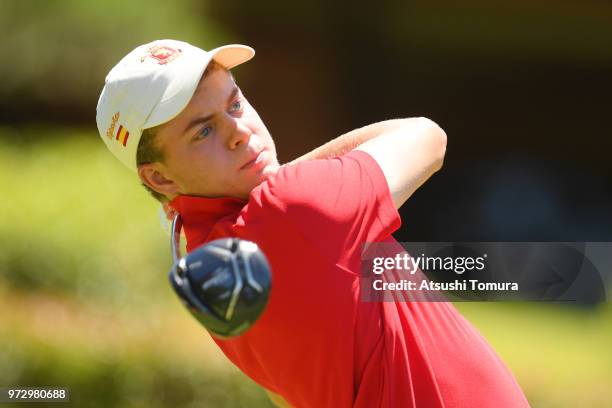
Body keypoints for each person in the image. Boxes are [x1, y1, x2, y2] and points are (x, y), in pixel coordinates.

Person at [96, 39, 529, 407]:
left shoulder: (208, 265)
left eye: (235, 103)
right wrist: (286, 178)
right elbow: (426, 136)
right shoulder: (291, 208)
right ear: (160, 177)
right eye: (203, 131)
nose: (240, 131)